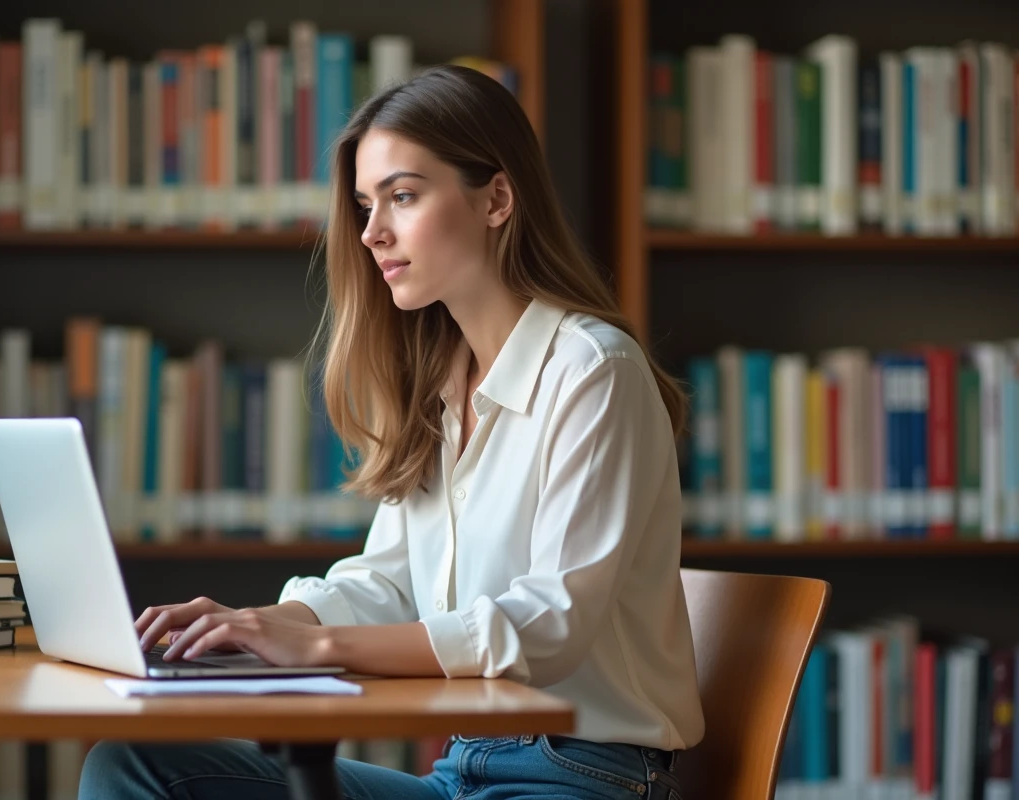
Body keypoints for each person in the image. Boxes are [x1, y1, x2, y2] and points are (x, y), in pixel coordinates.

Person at [79, 63, 704, 800]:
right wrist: (256, 624)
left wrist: (316, 646)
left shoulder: (593, 369)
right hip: (463, 767)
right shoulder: (443, 381)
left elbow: (550, 622)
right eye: (365, 205)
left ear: (498, 198)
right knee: (133, 763)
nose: (373, 233)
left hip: (582, 778)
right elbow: (388, 582)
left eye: (403, 196)